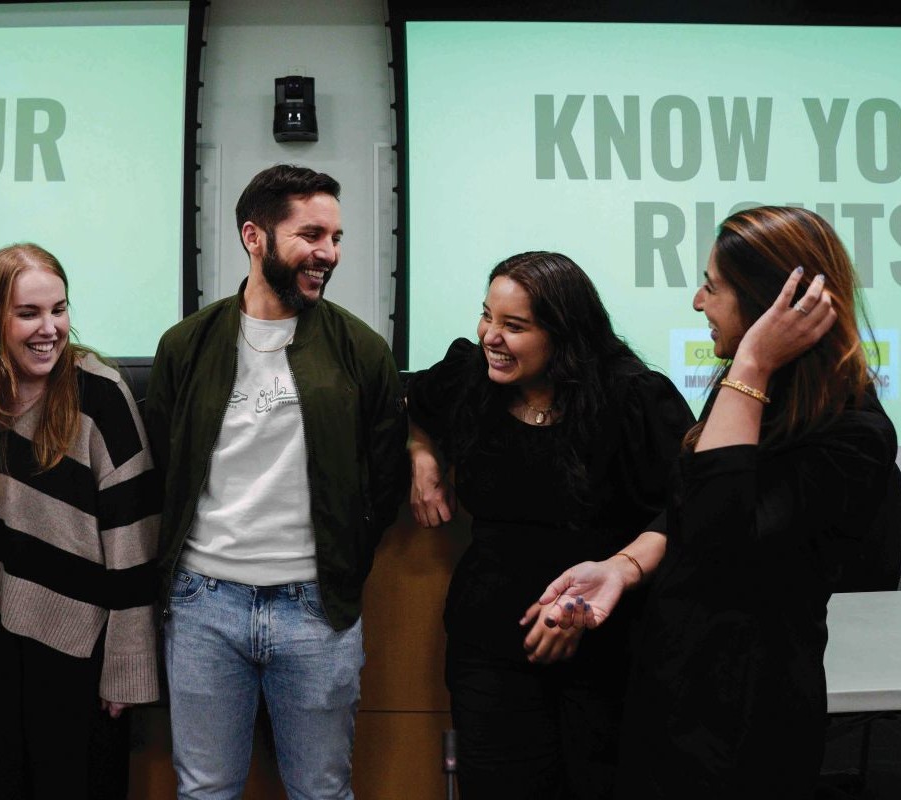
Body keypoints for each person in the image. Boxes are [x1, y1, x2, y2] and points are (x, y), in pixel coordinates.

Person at [536, 206, 900, 798]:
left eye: (713, 285)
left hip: (748, 722)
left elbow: (717, 541)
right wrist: (620, 569)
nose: (698, 302)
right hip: (671, 689)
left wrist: (752, 363)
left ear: (766, 304)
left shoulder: (853, 431)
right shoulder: (750, 393)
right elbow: (686, 508)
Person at [143, 164, 408, 799]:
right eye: (312, 235)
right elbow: (164, 466)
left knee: (322, 791)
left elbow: (385, 479)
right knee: (205, 792)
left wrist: (339, 570)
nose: (329, 254)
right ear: (254, 236)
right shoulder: (187, 345)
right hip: (204, 605)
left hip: (316, 610)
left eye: (337, 238)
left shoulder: (362, 350)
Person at [407, 251, 694, 799]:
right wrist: (422, 457)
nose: (491, 335)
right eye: (487, 315)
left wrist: (612, 577)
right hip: (489, 648)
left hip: (608, 651)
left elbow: (684, 512)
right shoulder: (473, 378)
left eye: (514, 326)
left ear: (565, 334)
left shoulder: (633, 396)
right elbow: (411, 404)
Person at [0, 243, 159, 799]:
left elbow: (136, 537)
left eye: (58, 310)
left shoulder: (100, 394)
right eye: (28, 314)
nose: (49, 328)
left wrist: (129, 661)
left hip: (76, 648)